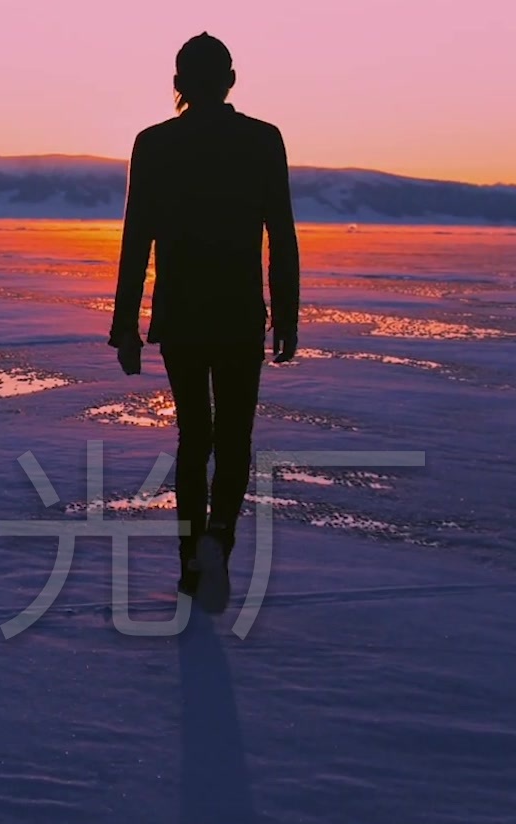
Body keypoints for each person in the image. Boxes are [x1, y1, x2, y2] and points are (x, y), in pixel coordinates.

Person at [109, 32, 299, 614]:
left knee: (194, 436)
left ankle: (192, 567)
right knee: (234, 436)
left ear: (178, 85)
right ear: (231, 81)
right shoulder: (262, 141)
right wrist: (287, 315)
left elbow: (136, 236)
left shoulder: (154, 144)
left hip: (182, 316)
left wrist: (125, 324)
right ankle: (219, 538)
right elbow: (281, 235)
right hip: (240, 313)